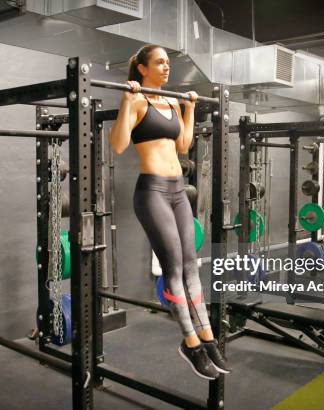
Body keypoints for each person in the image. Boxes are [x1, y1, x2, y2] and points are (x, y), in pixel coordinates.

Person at [108, 44, 232, 380]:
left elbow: (182, 146)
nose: (166, 67)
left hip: (178, 191)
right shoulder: (136, 99)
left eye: (168, 63)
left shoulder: (172, 101)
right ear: (142, 69)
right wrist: (125, 102)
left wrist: (189, 108)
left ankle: (207, 338)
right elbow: (118, 145)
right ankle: (190, 344)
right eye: (160, 63)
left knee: (192, 263)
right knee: (174, 267)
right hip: (152, 192)